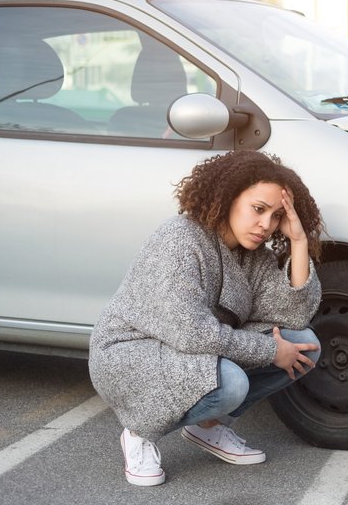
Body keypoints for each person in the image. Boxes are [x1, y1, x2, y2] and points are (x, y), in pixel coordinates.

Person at [89, 150, 325, 487]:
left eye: (275, 216)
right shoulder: (180, 239)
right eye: (258, 209)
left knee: (305, 344)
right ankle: (140, 430)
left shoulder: (252, 255)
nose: (266, 225)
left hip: (188, 350)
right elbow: (190, 332)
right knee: (230, 383)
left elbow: (294, 314)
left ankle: (207, 427)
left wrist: (299, 240)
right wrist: (271, 351)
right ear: (229, 198)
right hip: (131, 353)